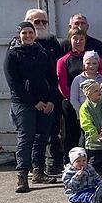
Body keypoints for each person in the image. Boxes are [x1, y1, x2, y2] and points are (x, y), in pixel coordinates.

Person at [5, 21, 57, 191]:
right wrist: (34, 102)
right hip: (24, 103)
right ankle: (22, 175)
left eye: (30, 33)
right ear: (19, 35)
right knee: (26, 138)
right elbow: (14, 83)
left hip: (45, 102)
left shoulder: (42, 52)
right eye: (24, 33)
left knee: (42, 137)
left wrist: (50, 100)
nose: (28, 36)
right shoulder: (13, 54)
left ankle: (39, 171)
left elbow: (51, 77)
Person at [24, 9, 65, 175]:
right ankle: (33, 168)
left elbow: (57, 73)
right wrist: (34, 100)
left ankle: (53, 164)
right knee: (31, 136)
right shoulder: (19, 45)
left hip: (50, 97)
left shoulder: (52, 42)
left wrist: (52, 100)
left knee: (53, 132)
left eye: (44, 22)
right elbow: (17, 78)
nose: (41, 25)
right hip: (29, 99)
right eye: (36, 22)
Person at [57, 28, 102, 161]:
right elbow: (62, 83)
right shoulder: (64, 60)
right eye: (75, 39)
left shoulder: (93, 57)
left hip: (95, 104)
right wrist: (79, 107)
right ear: (70, 40)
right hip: (72, 103)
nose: (78, 41)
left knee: (91, 134)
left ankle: (92, 162)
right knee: (72, 134)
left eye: (81, 39)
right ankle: (70, 162)